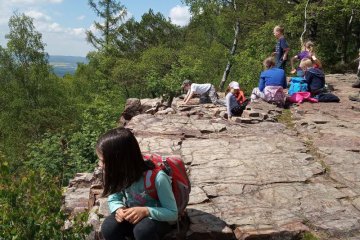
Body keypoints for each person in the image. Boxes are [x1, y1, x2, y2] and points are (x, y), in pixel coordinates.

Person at [98, 127, 178, 240]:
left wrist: (145, 211)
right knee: (109, 228)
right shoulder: (119, 174)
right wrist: (118, 209)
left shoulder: (158, 178)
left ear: (117, 161)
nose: (100, 165)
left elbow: (173, 213)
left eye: (103, 161)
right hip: (132, 216)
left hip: (155, 220)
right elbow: (114, 197)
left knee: (143, 231)